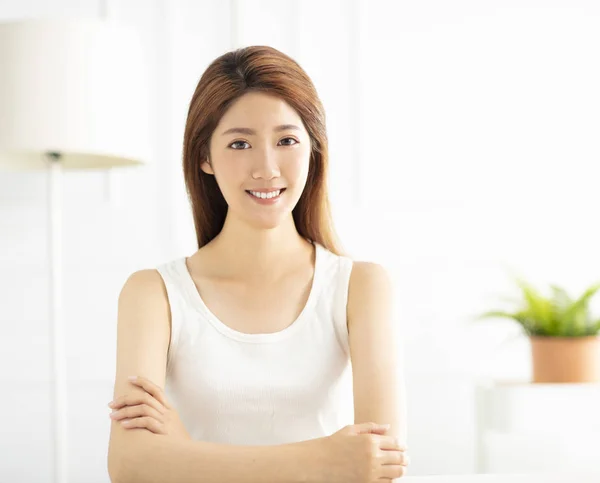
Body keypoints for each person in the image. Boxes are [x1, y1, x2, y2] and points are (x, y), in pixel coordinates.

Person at [107, 45, 408, 483]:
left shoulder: (360, 286)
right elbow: (130, 466)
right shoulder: (154, 294)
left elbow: (380, 465)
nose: (266, 168)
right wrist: (325, 460)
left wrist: (183, 455)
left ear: (313, 149)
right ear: (204, 157)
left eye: (286, 140)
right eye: (240, 143)